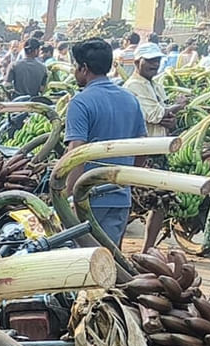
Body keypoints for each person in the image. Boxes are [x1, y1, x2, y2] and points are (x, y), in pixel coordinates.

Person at [63, 38, 146, 247]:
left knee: (81, 263)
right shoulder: (130, 99)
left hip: (88, 199)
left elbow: (77, 152)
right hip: (119, 196)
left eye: (76, 66)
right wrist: (127, 181)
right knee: (111, 261)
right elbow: (143, 148)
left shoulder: (80, 102)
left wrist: (68, 194)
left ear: (84, 68)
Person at [124, 42, 189, 251]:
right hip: (142, 152)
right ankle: (116, 245)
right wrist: (177, 106)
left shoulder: (156, 85)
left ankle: (147, 250)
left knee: (160, 201)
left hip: (159, 149)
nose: (154, 64)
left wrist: (169, 117)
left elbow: (164, 117)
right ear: (137, 62)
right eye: (150, 60)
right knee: (131, 200)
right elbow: (155, 114)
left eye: (157, 60)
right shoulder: (133, 86)